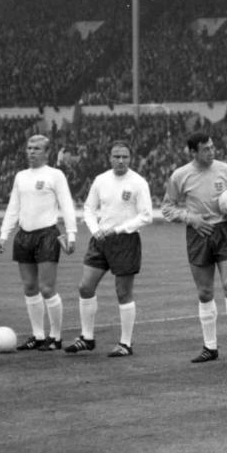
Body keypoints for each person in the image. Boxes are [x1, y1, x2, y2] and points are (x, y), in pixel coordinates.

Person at [161, 132, 227, 365]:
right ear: (192, 152)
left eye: (213, 147)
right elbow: (167, 208)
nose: (212, 152)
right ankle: (210, 347)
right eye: (206, 149)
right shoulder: (180, 175)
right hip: (198, 233)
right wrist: (190, 218)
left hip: (225, 231)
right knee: (204, 292)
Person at [66, 141, 152, 357]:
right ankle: (87, 338)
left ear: (130, 158)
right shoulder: (101, 180)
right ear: (110, 158)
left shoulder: (138, 182)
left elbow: (146, 216)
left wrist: (119, 230)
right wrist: (95, 230)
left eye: (124, 156)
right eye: (116, 156)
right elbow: (88, 208)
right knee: (85, 287)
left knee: (123, 293)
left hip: (126, 242)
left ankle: (125, 343)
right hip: (100, 240)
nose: (120, 160)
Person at [0, 134, 77, 351]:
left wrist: (71, 234)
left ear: (47, 152)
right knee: (30, 287)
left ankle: (56, 336)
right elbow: (14, 206)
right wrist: (4, 234)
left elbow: (67, 206)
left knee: (46, 287)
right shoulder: (21, 176)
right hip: (24, 235)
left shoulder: (55, 175)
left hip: (47, 236)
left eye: (36, 148)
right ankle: (38, 336)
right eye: (29, 148)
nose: (31, 151)